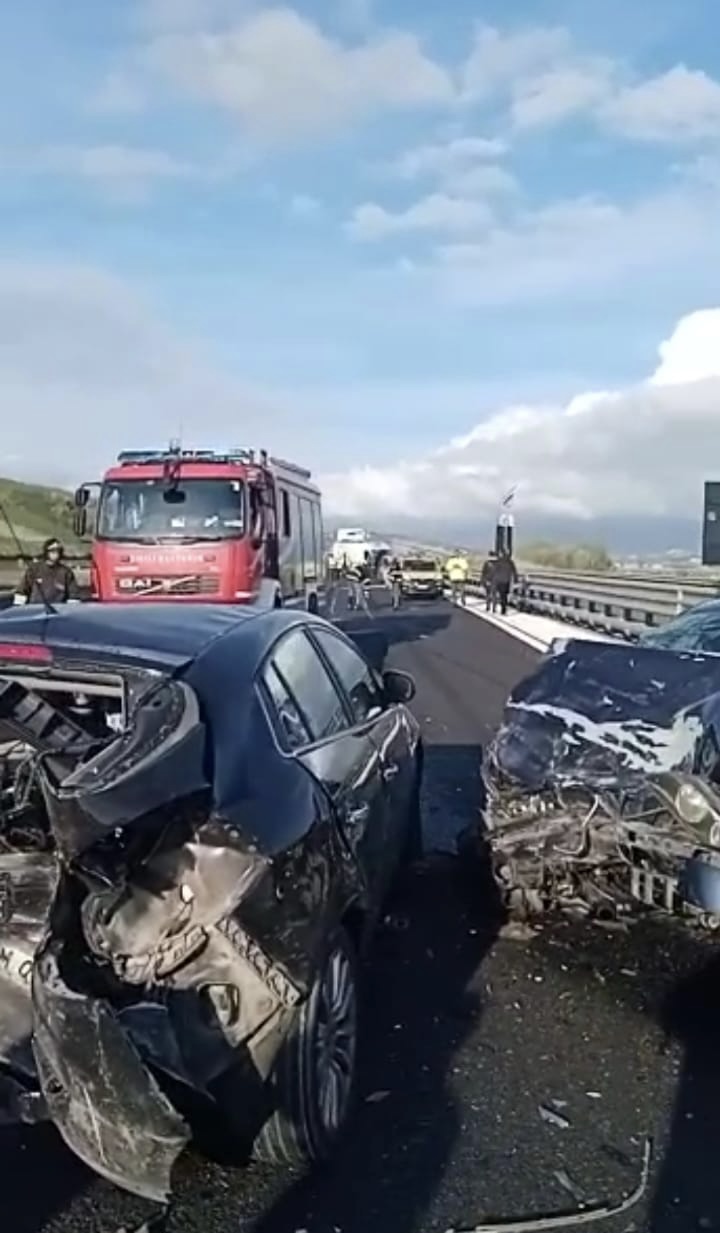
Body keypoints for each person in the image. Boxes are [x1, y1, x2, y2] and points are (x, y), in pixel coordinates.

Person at [14, 538, 80, 606]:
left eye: (58, 551)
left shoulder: (66, 572)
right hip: (35, 609)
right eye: (52, 551)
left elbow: (73, 596)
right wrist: (18, 608)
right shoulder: (34, 569)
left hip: (57, 611)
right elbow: (21, 592)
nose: (56, 554)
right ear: (46, 552)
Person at [492, 549, 518, 615]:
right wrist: (515, 579)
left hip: (500, 581)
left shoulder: (499, 561)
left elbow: (494, 571)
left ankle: (503, 608)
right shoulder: (510, 562)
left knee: (502, 595)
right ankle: (504, 608)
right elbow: (514, 571)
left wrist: (493, 579)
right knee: (505, 595)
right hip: (507, 581)